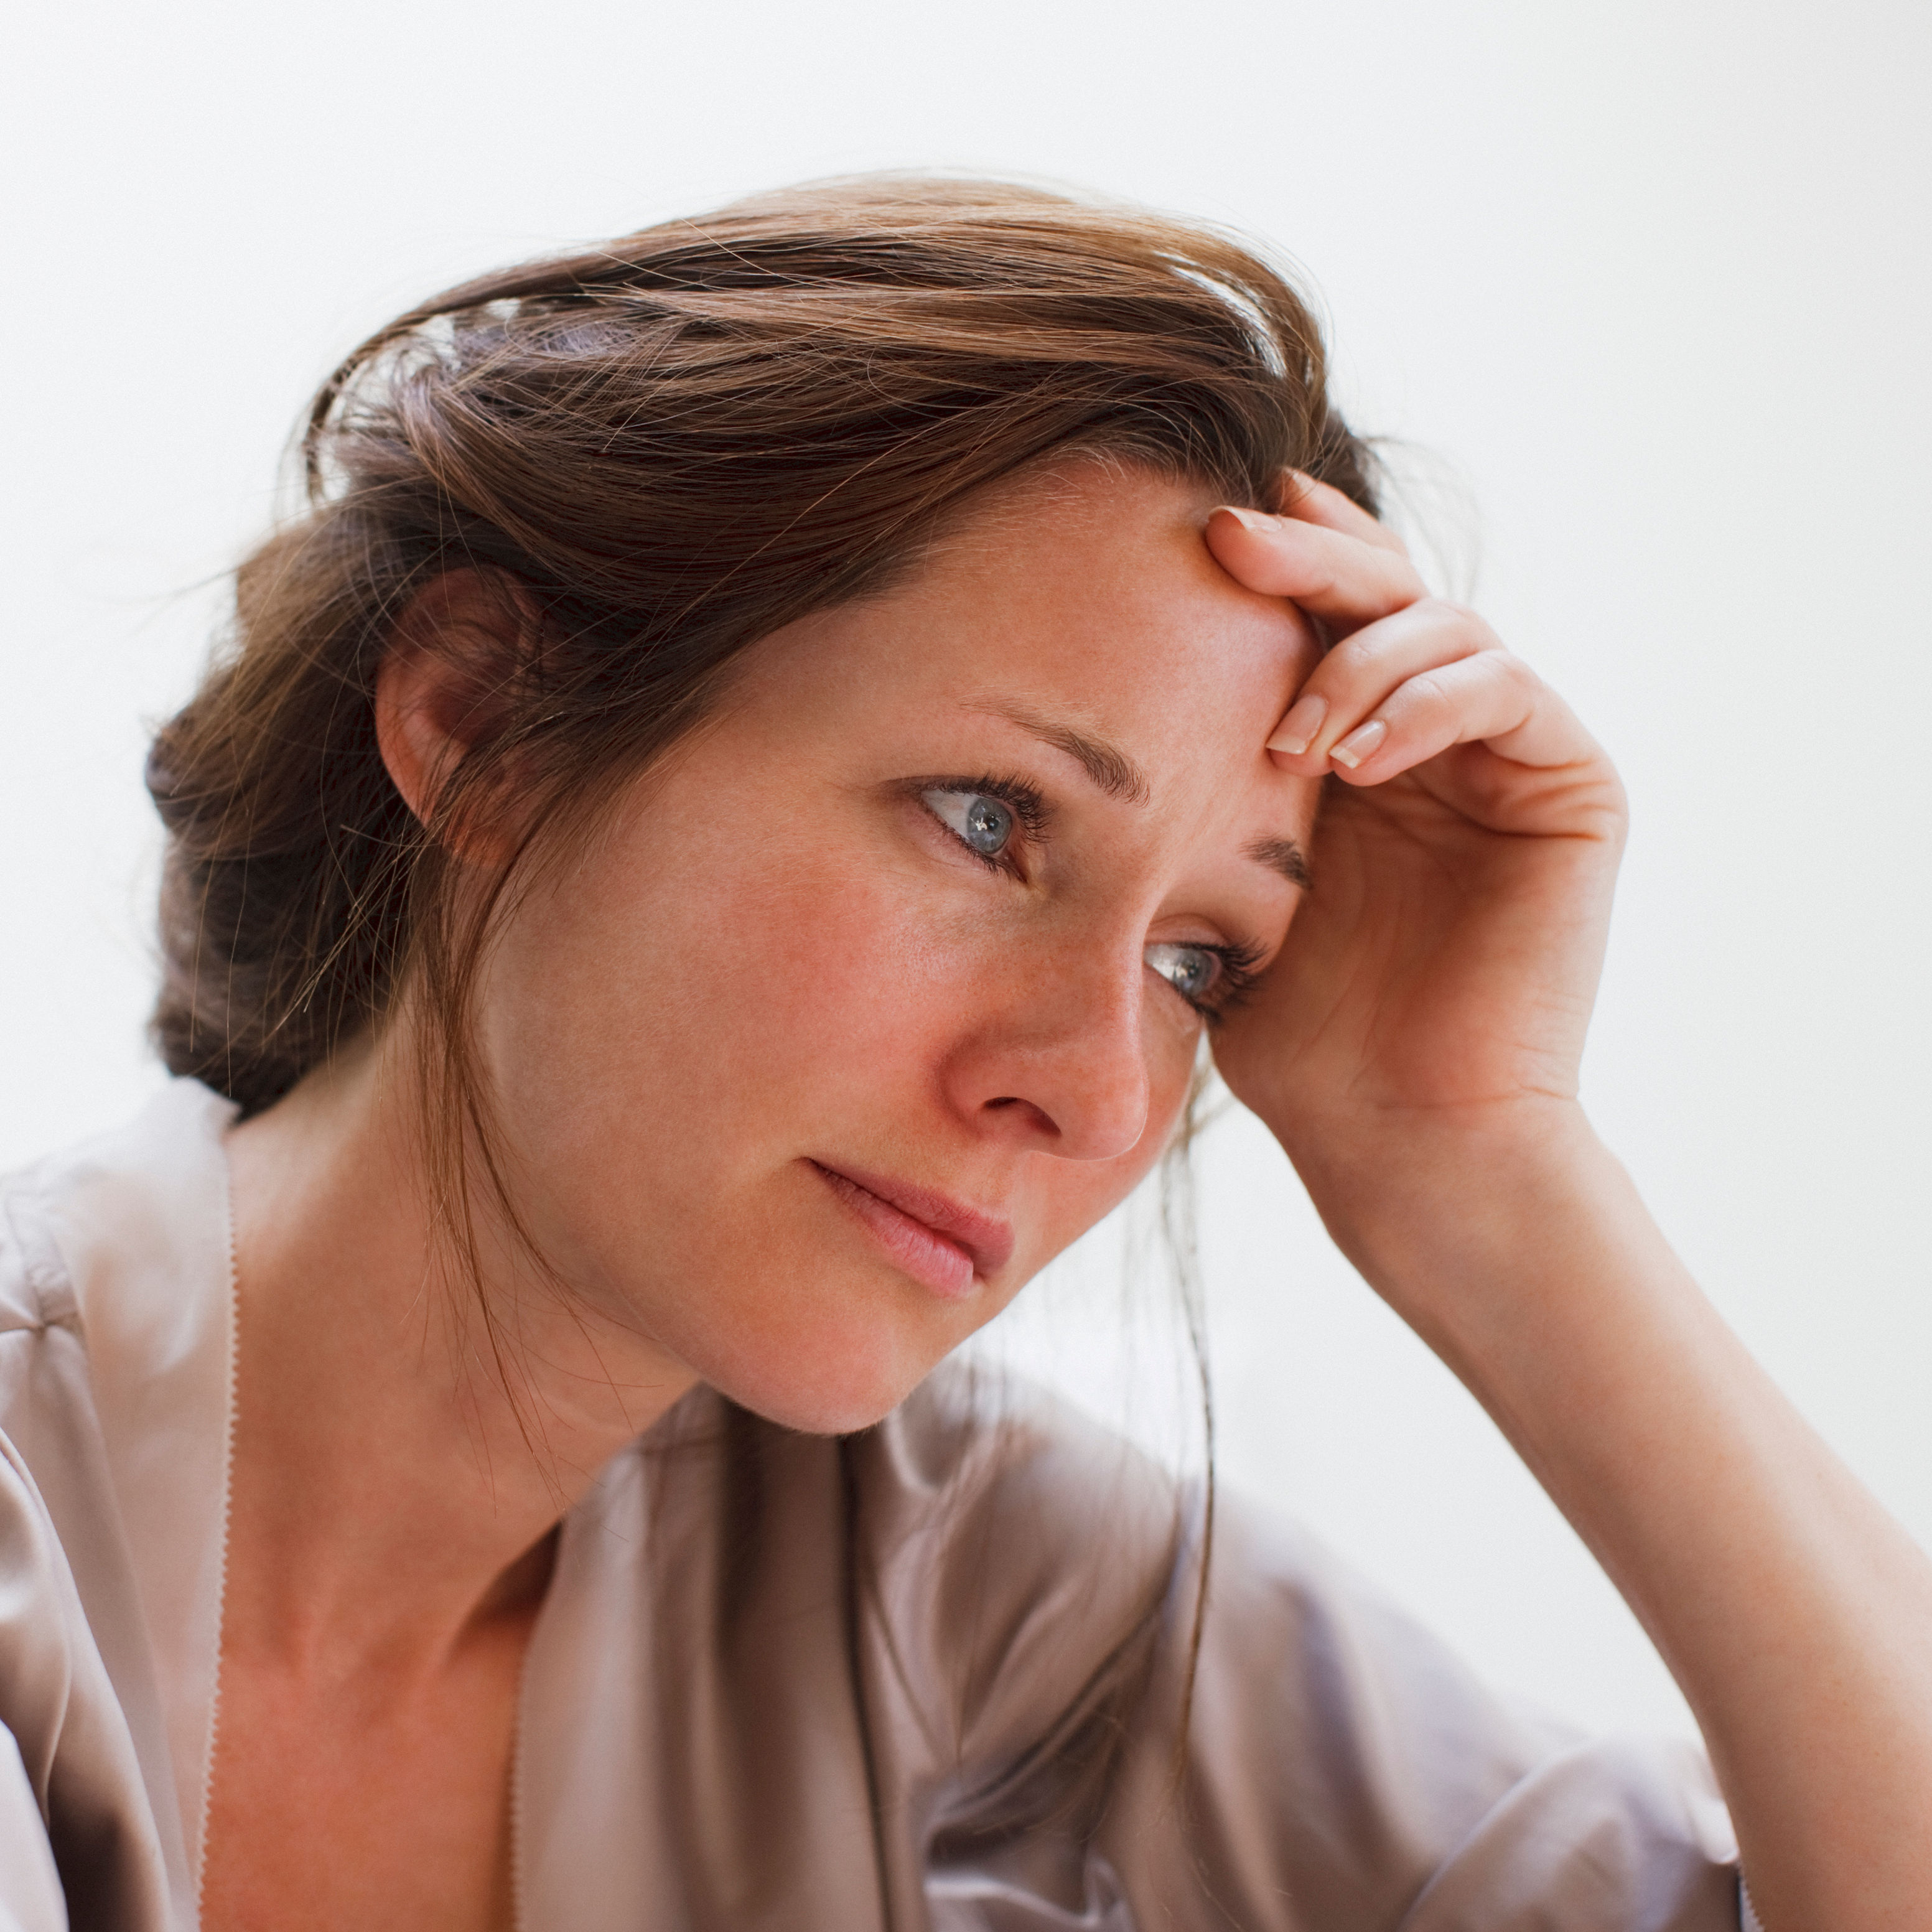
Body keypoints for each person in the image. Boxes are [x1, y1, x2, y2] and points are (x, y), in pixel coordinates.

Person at [1, 175, 1926, 1932]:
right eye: (989, 818)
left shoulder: (960, 1564)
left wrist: (1482, 1159)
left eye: (1201, 958)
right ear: (485, 718)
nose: (1090, 1090)